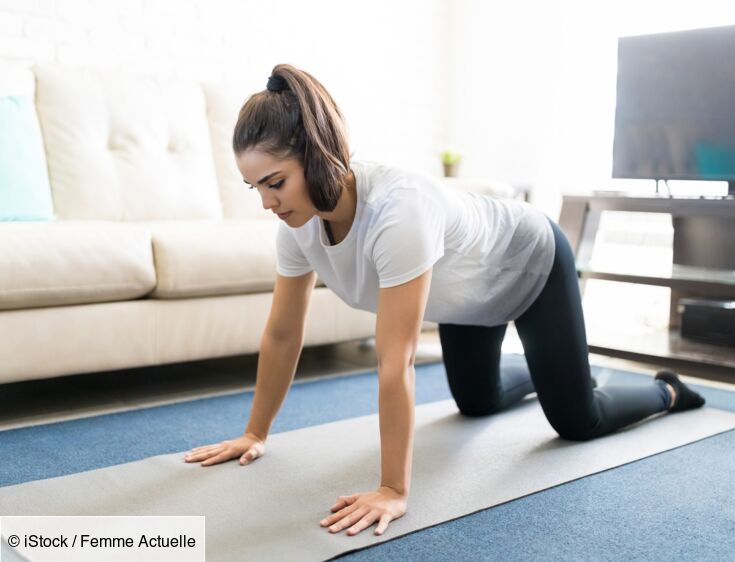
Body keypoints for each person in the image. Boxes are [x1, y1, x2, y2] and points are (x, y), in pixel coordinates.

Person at [184, 63, 706, 538]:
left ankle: (666, 392)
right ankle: (561, 370)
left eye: (275, 183)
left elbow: (397, 362)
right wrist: (255, 432)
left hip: (527, 262)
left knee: (578, 421)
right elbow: (281, 332)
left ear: (317, 156)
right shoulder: (297, 228)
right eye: (254, 187)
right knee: (475, 403)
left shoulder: (397, 212)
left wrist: (393, 489)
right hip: (466, 299)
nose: (266, 203)